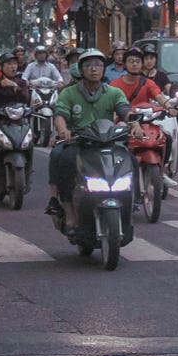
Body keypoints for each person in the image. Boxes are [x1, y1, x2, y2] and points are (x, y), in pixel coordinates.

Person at [46, 49, 142, 229]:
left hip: (108, 140)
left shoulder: (114, 92)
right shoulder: (69, 93)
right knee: (60, 157)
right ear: (81, 70)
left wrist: (134, 124)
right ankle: (66, 210)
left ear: (104, 69)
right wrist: (63, 130)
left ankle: (134, 199)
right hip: (78, 142)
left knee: (131, 161)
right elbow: (60, 115)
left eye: (98, 65)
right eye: (88, 65)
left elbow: (125, 111)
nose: (93, 69)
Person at [109, 46, 178, 188]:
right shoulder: (115, 85)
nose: (134, 64)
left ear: (141, 64)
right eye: (131, 61)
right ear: (125, 64)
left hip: (146, 121)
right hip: (123, 122)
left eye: (137, 61)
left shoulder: (147, 82)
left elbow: (158, 96)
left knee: (167, 138)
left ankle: (161, 171)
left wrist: (169, 107)